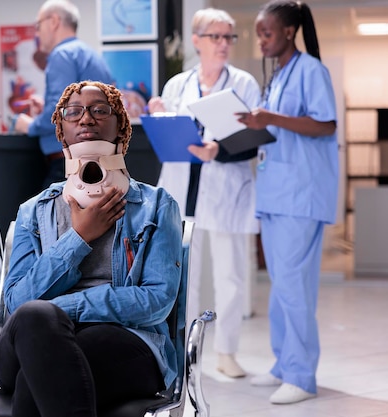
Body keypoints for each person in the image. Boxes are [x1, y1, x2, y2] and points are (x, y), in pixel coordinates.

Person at [0, 80, 183, 416]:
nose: (86, 119)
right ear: (61, 131)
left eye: (99, 110)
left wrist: (64, 309)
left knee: (37, 376)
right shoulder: (34, 211)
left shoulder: (155, 205)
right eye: (73, 112)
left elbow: (157, 302)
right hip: (31, 336)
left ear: (121, 128)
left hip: (125, 341)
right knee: (37, 317)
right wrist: (78, 239)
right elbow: (17, 304)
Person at [189, 0, 338, 405]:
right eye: (257, 33)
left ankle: (302, 375)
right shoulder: (278, 75)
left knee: (294, 288)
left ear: (289, 32)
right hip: (275, 192)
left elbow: (326, 123)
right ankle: (283, 365)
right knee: (280, 287)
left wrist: (269, 117)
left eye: (266, 33)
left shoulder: (311, 70)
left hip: (300, 194)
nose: (260, 41)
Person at [147, 8, 261, 379]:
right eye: (216, 36)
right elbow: (169, 139)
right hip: (183, 188)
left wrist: (218, 151)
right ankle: (182, 349)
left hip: (226, 187)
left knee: (230, 275)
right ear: (196, 40)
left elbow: (252, 140)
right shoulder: (177, 85)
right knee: (184, 276)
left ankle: (226, 351)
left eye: (229, 36)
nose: (224, 44)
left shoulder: (243, 83)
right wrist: (158, 115)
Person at [11, 0, 114, 189]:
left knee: (49, 216)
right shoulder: (92, 56)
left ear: (54, 21)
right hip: (99, 161)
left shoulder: (62, 55)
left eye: (38, 25)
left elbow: (59, 111)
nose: (37, 33)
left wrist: (30, 125)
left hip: (68, 163)